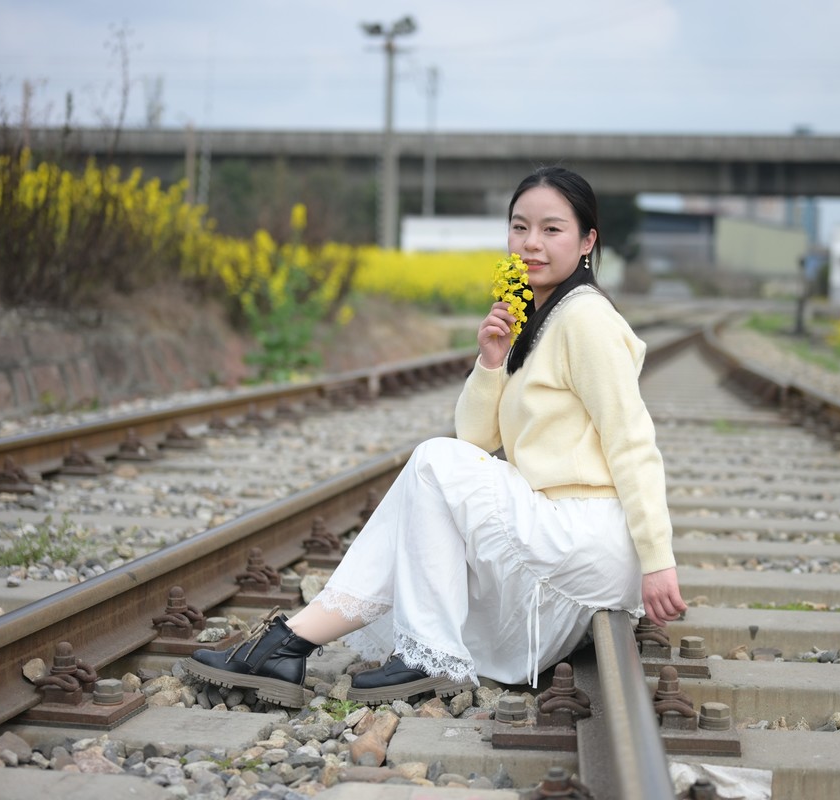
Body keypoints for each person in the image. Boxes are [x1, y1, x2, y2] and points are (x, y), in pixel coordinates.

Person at [184, 165, 687, 707]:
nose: (531, 244)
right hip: (552, 534)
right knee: (435, 475)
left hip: (586, 537)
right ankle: (292, 643)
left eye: (551, 229)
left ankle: (400, 653)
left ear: (588, 241)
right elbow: (472, 439)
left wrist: (658, 562)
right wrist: (493, 362)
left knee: (431, 462)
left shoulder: (586, 318)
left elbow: (632, 441)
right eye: (519, 228)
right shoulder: (539, 318)